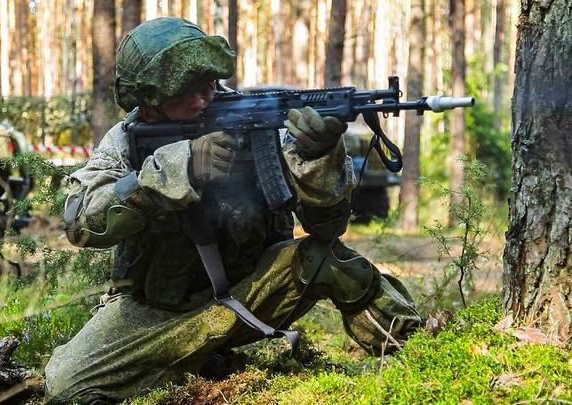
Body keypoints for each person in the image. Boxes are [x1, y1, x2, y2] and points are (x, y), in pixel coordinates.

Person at [44, 16, 423, 404]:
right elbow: (81, 221)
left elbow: (329, 225)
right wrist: (180, 167)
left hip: (252, 295)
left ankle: (418, 351)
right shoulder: (125, 141)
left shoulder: (256, 118)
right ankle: (199, 359)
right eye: (184, 91)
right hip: (155, 312)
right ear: (148, 99)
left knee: (330, 260)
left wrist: (318, 156)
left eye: (207, 83)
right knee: (65, 385)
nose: (202, 98)